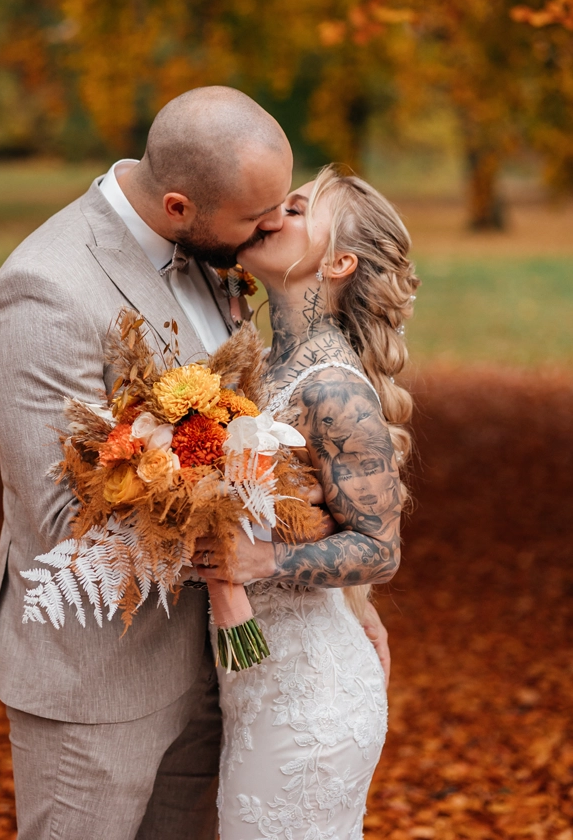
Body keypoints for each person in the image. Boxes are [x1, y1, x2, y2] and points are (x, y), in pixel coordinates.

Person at [0, 87, 390, 840]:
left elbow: (280, 456)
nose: (273, 225)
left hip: (231, 672)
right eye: (258, 215)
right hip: (103, 685)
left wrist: (336, 595)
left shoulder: (216, 253)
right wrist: (253, 542)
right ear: (178, 208)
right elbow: (67, 519)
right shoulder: (44, 292)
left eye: (284, 207)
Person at [193, 166, 419, 839]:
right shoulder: (263, 364)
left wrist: (263, 561)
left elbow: (379, 549)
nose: (271, 215)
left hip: (310, 707)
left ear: (338, 262)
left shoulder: (333, 390)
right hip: (258, 686)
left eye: (295, 210)